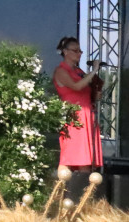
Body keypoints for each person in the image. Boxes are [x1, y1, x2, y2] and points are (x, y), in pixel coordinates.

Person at [53, 36, 103, 171]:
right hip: (74, 115)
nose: (79, 54)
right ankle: (63, 188)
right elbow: (76, 87)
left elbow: (85, 90)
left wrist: (95, 95)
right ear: (65, 52)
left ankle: (84, 190)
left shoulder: (79, 72)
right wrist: (93, 71)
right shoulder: (61, 71)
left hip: (86, 115)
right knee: (70, 156)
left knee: (86, 159)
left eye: (80, 51)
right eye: (76, 51)